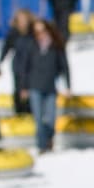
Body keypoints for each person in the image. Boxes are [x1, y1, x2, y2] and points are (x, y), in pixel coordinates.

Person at [23, 19, 71, 154]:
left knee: (50, 119)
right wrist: (24, 87)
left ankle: (49, 139)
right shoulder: (32, 46)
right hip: (34, 87)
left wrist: (67, 85)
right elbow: (25, 67)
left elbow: (64, 67)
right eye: (37, 31)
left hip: (50, 87)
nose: (40, 34)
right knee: (38, 118)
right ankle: (42, 146)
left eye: (42, 30)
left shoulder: (56, 46)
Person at [0, 9, 37, 115]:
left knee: (30, 90)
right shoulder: (13, 32)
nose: (23, 22)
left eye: (24, 19)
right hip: (18, 66)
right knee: (18, 89)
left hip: (31, 66)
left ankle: (31, 112)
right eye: (21, 19)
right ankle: (19, 112)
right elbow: (6, 47)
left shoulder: (33, 32)